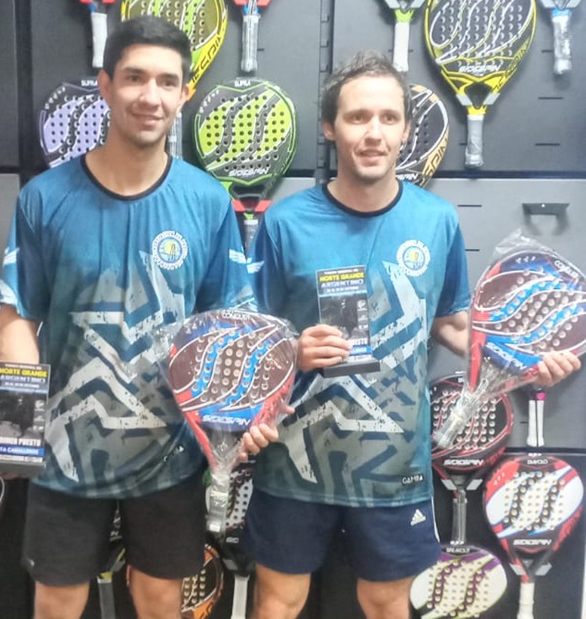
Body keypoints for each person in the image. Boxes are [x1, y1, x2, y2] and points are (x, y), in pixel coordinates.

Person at [242, 51, 581, 619]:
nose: (373, 133)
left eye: (388, 118)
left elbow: (452, 323)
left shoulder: (435, 220)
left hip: (394, 465)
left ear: (405, 130)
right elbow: (256, 338)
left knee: (386, 603)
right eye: (357, 117)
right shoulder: (285, 222)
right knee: (278, 600)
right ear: (329, 127)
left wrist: (528, 357)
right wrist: (293, 351)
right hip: (295, 462)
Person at [0, 16, 275, 619]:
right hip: (65, 455)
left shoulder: (207, 201)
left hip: (170, 455)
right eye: (135, 78)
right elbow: (16, 319)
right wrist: (18, 429)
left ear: (185, 94)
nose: (151, 96)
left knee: (159, 600)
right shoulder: (44, 198)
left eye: (167, 82)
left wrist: (246, 411)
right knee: (57, 603)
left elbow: (230, 324)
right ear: (105, 85)